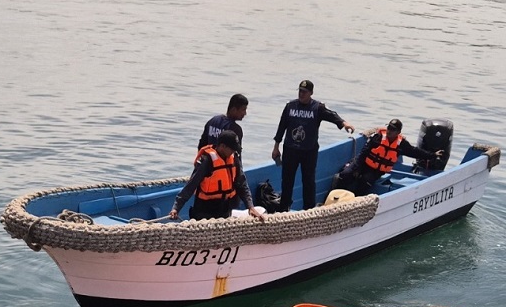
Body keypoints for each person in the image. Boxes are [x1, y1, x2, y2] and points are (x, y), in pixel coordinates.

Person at [271, 80, 355, 211]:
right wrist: (276, 147)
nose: (301, 94)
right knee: (287, 180)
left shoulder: (317, 108)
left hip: (308, 151)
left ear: (311, 93)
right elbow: (282, 126)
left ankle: (309, 210)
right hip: (290, 149)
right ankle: (283, 208)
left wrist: (344, 123)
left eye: (304, 92)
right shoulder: (290, 106)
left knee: (308, 181)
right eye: (300, 91)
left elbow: (331, 115)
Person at [169, 131, 265, 222]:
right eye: (231, 149)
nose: (233, 152)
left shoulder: (234, 159)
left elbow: (242, 184)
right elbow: (191, 186)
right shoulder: (207, 161)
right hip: (204, 211)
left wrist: (250, 207)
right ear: (222, 146)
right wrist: (176, 208)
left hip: (224, 210)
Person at [334, 119, 444, 196]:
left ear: (398, 132)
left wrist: (433, 155)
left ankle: (354, 201)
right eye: (389, 128)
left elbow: (415, 152)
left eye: (393, 129)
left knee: (365, 181)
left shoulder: (401, 144)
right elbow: (363, 153)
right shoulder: (377, 137)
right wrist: (357, 168)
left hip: (376, 170)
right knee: (345, 174)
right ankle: (333, 197)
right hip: (363, 164)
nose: (389, 131)